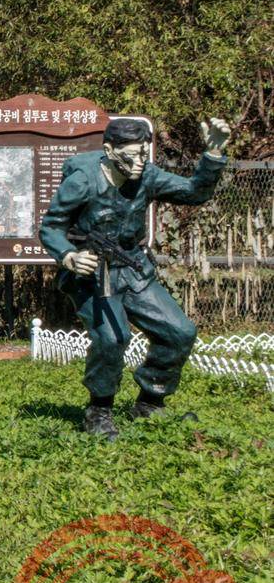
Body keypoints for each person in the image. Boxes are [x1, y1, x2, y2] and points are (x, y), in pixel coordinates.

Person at [39, 116, 230, 439]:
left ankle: (150, 402)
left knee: (178, 332)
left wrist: (212, 155)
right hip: (93, 273)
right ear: (110, 151)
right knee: (112, 338)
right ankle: (99, 409)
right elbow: (50, 227)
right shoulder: (83, 181)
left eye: (144, 154)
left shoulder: (147, 176)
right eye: (131, 155)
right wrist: (69, 256)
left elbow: (195, 192)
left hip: (134, 269)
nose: (139, 162)